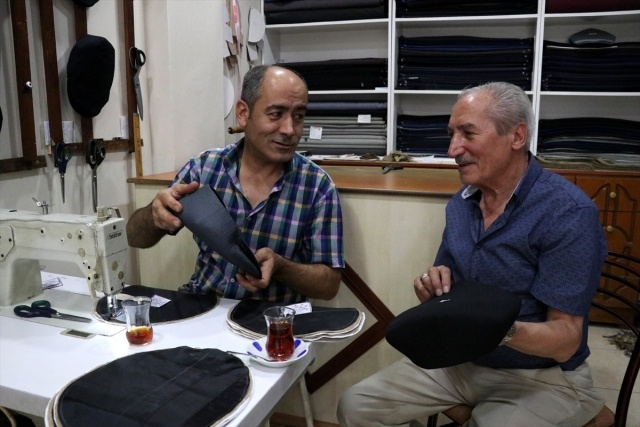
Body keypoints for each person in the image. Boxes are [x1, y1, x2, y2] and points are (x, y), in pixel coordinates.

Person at [337, 82, 608, 427]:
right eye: (451, 134)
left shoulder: (567, 213)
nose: (453, 149)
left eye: (468, 133)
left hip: (540, 376)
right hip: (461, 363)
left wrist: (496, 331)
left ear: (517, 136)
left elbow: (566, 341)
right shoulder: (461, 205)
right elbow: (449, 289)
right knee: (355, 406)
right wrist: (433, 286)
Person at [126, 65, 344, 304]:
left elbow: (329, 286)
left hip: (271, 318)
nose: (289, 130)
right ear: (243, 113)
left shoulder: (317, 187)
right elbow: (135, 238)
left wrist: (281, 267)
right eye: (276, 114)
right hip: (203, 305)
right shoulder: (204, 168)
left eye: (298, 116)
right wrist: (153, 214)